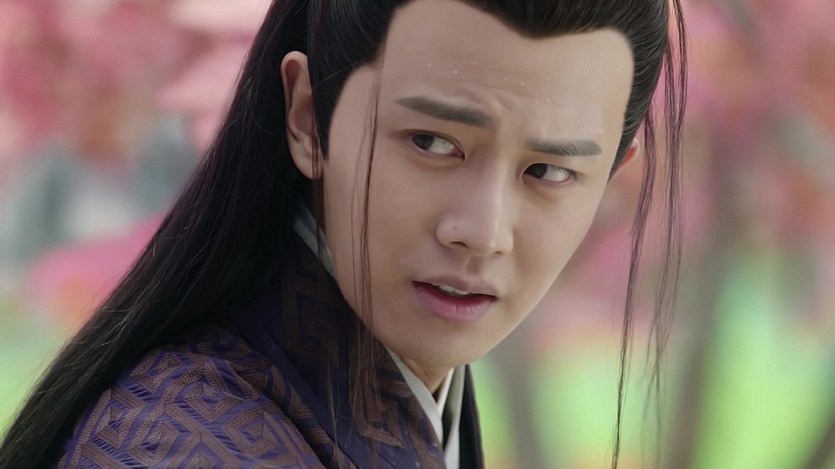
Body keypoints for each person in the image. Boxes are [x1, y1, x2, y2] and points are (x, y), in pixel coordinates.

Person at [0, 0, 687, 467]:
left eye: (549, 171)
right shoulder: (178, 448)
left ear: (612, 174)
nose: (482, 233)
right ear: (307, 115)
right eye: (432, 142)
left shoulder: (415, 398)